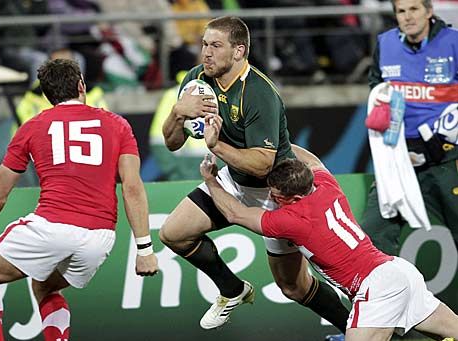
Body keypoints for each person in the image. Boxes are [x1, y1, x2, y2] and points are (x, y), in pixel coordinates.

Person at [159, 16, 350, 332]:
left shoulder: (259, 92)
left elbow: (263, 164)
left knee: (294, 287)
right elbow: (172, 142)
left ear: (238, 52)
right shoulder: (196, 81)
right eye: (204, 44)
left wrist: (215, 146)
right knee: (173, 233)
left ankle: (353, 330)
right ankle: (232, 290)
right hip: (234, 180)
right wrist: (178, 112)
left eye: (216, 46)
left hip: (277, 192)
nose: (206, 53)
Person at [0, 59, 159, 341]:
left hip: (51, 226)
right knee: (46, 288)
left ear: (47, 95)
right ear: (81, 85)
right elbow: (133, 187)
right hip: (99, 237)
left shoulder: (31, 127)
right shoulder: (118, 125)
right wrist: (144, 249)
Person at [199, 142, 458, 340]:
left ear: (295, 199)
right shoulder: (325, 183)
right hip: (397, 270)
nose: (273, 199)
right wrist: (280, 145)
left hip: (375, 287)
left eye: (277, 196)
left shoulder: (292, 220)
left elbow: (235, 213)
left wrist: (210, 179)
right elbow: (312, 160)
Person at [362, 0, 458, 255]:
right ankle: (387, 294)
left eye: (414, 9)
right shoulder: (385, 44)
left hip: (446, 158)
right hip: (399, 158)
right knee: (373, 235)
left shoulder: (454, 42)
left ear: (429, 11)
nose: (408, 17)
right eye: (401, 11)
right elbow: (376, 86)